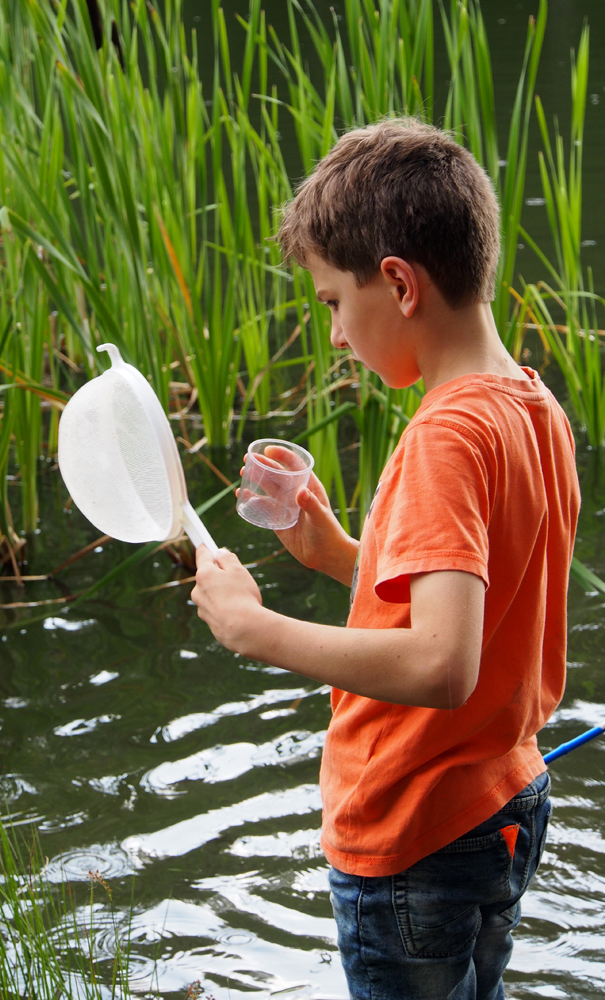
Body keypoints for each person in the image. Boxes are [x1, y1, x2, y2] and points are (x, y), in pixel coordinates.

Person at [190, 119, 580, 1000]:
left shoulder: (443, 436)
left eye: (333, 302)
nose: (333, 336)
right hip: (503, 809)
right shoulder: (530, 409)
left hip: (414, 834)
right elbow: (482, 606)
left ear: (398, 284)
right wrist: (340, 559)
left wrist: (258, 629)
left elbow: (444, 663)